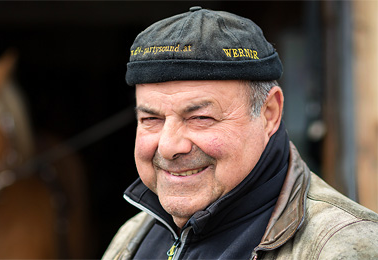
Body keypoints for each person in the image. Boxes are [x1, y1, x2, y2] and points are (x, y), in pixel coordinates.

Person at [103, 6, 378, 260]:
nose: (168, 146)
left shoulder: (344, 246)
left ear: (269, 113)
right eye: (151, 118)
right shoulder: (134, 235)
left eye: (200, 117)